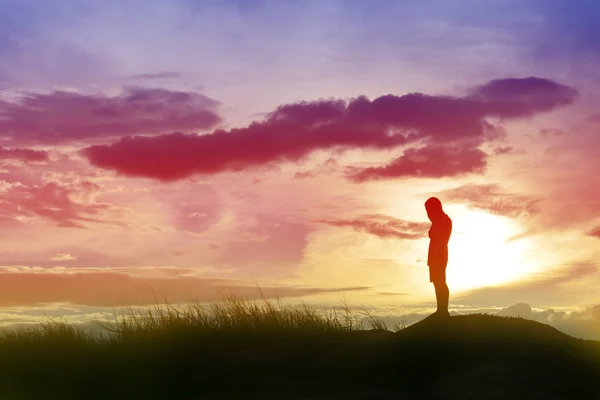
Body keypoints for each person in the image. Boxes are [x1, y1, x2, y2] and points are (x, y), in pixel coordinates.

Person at [425, 197, 452, 317]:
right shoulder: (436, 222)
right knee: (436, 281)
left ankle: (443, 310)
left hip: (440, 255)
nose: (428, 213)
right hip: (434, 255)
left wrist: (433, 234)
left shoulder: (445, 220)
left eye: (429, 210)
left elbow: (442, 238)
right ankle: (440, 309)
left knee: (441, 281)